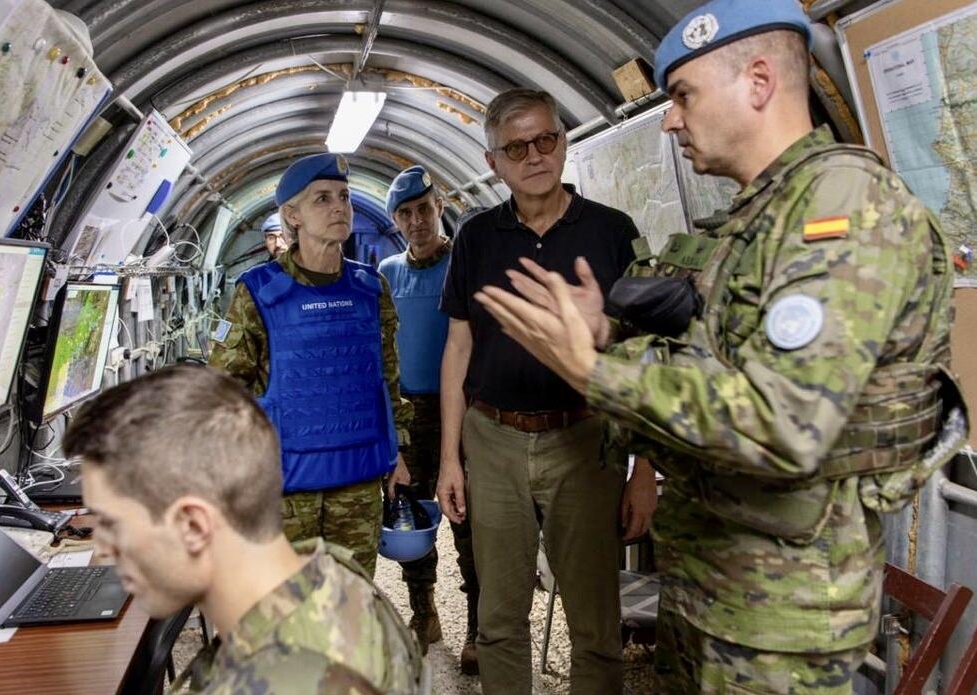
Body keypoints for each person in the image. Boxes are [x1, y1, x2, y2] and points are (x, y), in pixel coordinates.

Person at [473, 2, 968, 692]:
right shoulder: (755, 218)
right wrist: (609, 333)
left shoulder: (844, 209)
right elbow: (719, 361)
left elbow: (785, 421)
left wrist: (595, 370)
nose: (670, 118)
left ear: (758, 82)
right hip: (716, 583)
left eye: (682, 96)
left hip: (781, 612)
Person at [435, 87, 658, 694]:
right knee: (500, 617)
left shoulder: (612, 233)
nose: (535, 156)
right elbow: (458, 347)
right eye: (517, 147)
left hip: (585, 439)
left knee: (595, 622)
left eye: (546, 139)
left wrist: (643, 469)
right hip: (494, 438)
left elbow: (641, 355)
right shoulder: (477, 239)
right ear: (494, 163)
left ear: (563, 143)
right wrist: (449, 459)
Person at [61, 365, 423, 694]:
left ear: (193, 525)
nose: (104, 548)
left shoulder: (278, 681)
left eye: (111, 524)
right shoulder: (334, 575)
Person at [210, 153, 412, 578]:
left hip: (358, 483)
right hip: (284, 489)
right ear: (292, 216)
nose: (339, 207)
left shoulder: (371, 288)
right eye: (322, 199)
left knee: (351, 607)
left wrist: (397, 455)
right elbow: (225, 390)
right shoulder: (259, 292)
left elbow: (385, 380)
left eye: (344, 197)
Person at [378, 165, 479, 672]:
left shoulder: (466, 262)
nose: (416, 221)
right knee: (410, 517)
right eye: (405, 214)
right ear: (396, 220)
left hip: (460, 408)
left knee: (467, 518)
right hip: (407, 412)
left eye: (423, 208)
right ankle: (425, 614)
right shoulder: (388, 273)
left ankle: (480, 628)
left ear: (439, 206)